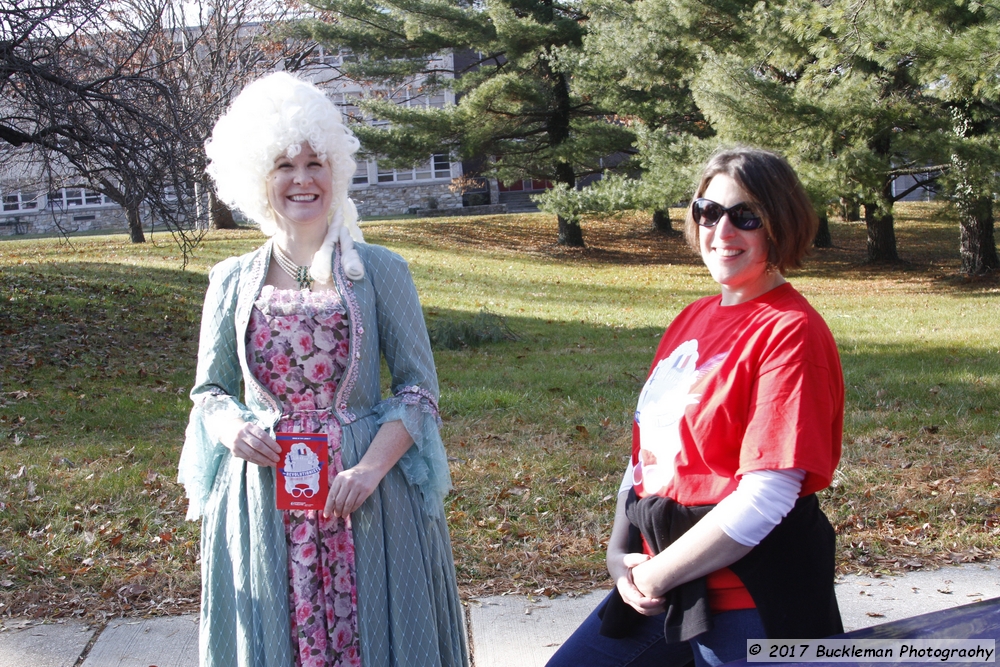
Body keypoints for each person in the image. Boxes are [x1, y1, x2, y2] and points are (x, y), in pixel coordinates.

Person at [177, 71, 468, 667]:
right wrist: (233, 428)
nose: (302, 179)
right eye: (284, 165)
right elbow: (209, 390)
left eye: (316, 163)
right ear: (259, 179)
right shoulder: (230, 280)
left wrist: (368, 469)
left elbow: (419, 388)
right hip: (265, 496)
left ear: (337, 169)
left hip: (367, 499)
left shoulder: (382, 271)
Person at [547, 147, 845, 667]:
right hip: (665, 584)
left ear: (781, 224)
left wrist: (654, 574)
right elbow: (652, 453)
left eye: (745, 216)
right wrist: (620, 554)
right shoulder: (693, 317)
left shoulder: (790, 331)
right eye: (708, 212)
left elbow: (768, 494)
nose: (721, 231)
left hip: (749, 595)